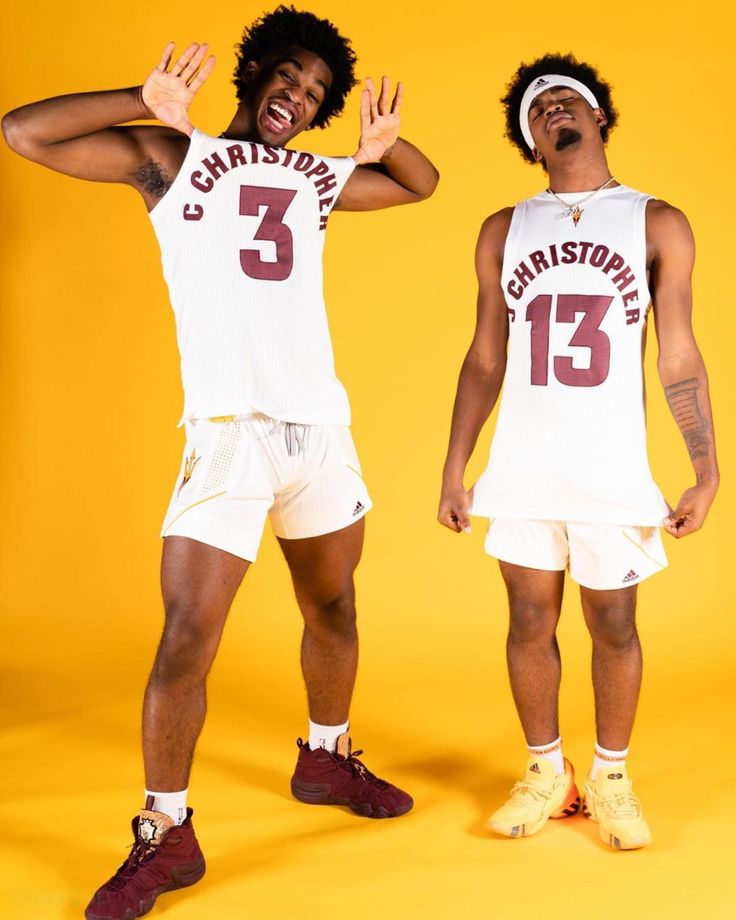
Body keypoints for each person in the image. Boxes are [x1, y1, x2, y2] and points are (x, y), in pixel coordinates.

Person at [3, 6, 439, 918]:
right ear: (253, 74)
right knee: (185, 640)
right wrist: (140, 99)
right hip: (229, 432)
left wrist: (380, 144)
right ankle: (167, 832)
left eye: (316, 91)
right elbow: (22, 133)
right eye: (287, 75)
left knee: (335, 604)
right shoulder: (176, 154)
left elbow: (418, 183)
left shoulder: (319, 175)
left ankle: (325, 756)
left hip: (318, 429)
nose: (299, 95)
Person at [438, 53, 718, 851]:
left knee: (615, 622)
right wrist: (455, 468)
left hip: (609, 464)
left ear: (598, 117)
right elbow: (485, 355)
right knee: (528, 618)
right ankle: (544, 771)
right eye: (537, 108)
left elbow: (678, 355)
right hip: (525, 463)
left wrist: (706, 469)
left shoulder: (656, 221)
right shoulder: (504, 227)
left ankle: (611, 775)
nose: (554, 110)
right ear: (530, 138)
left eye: (568, 99)